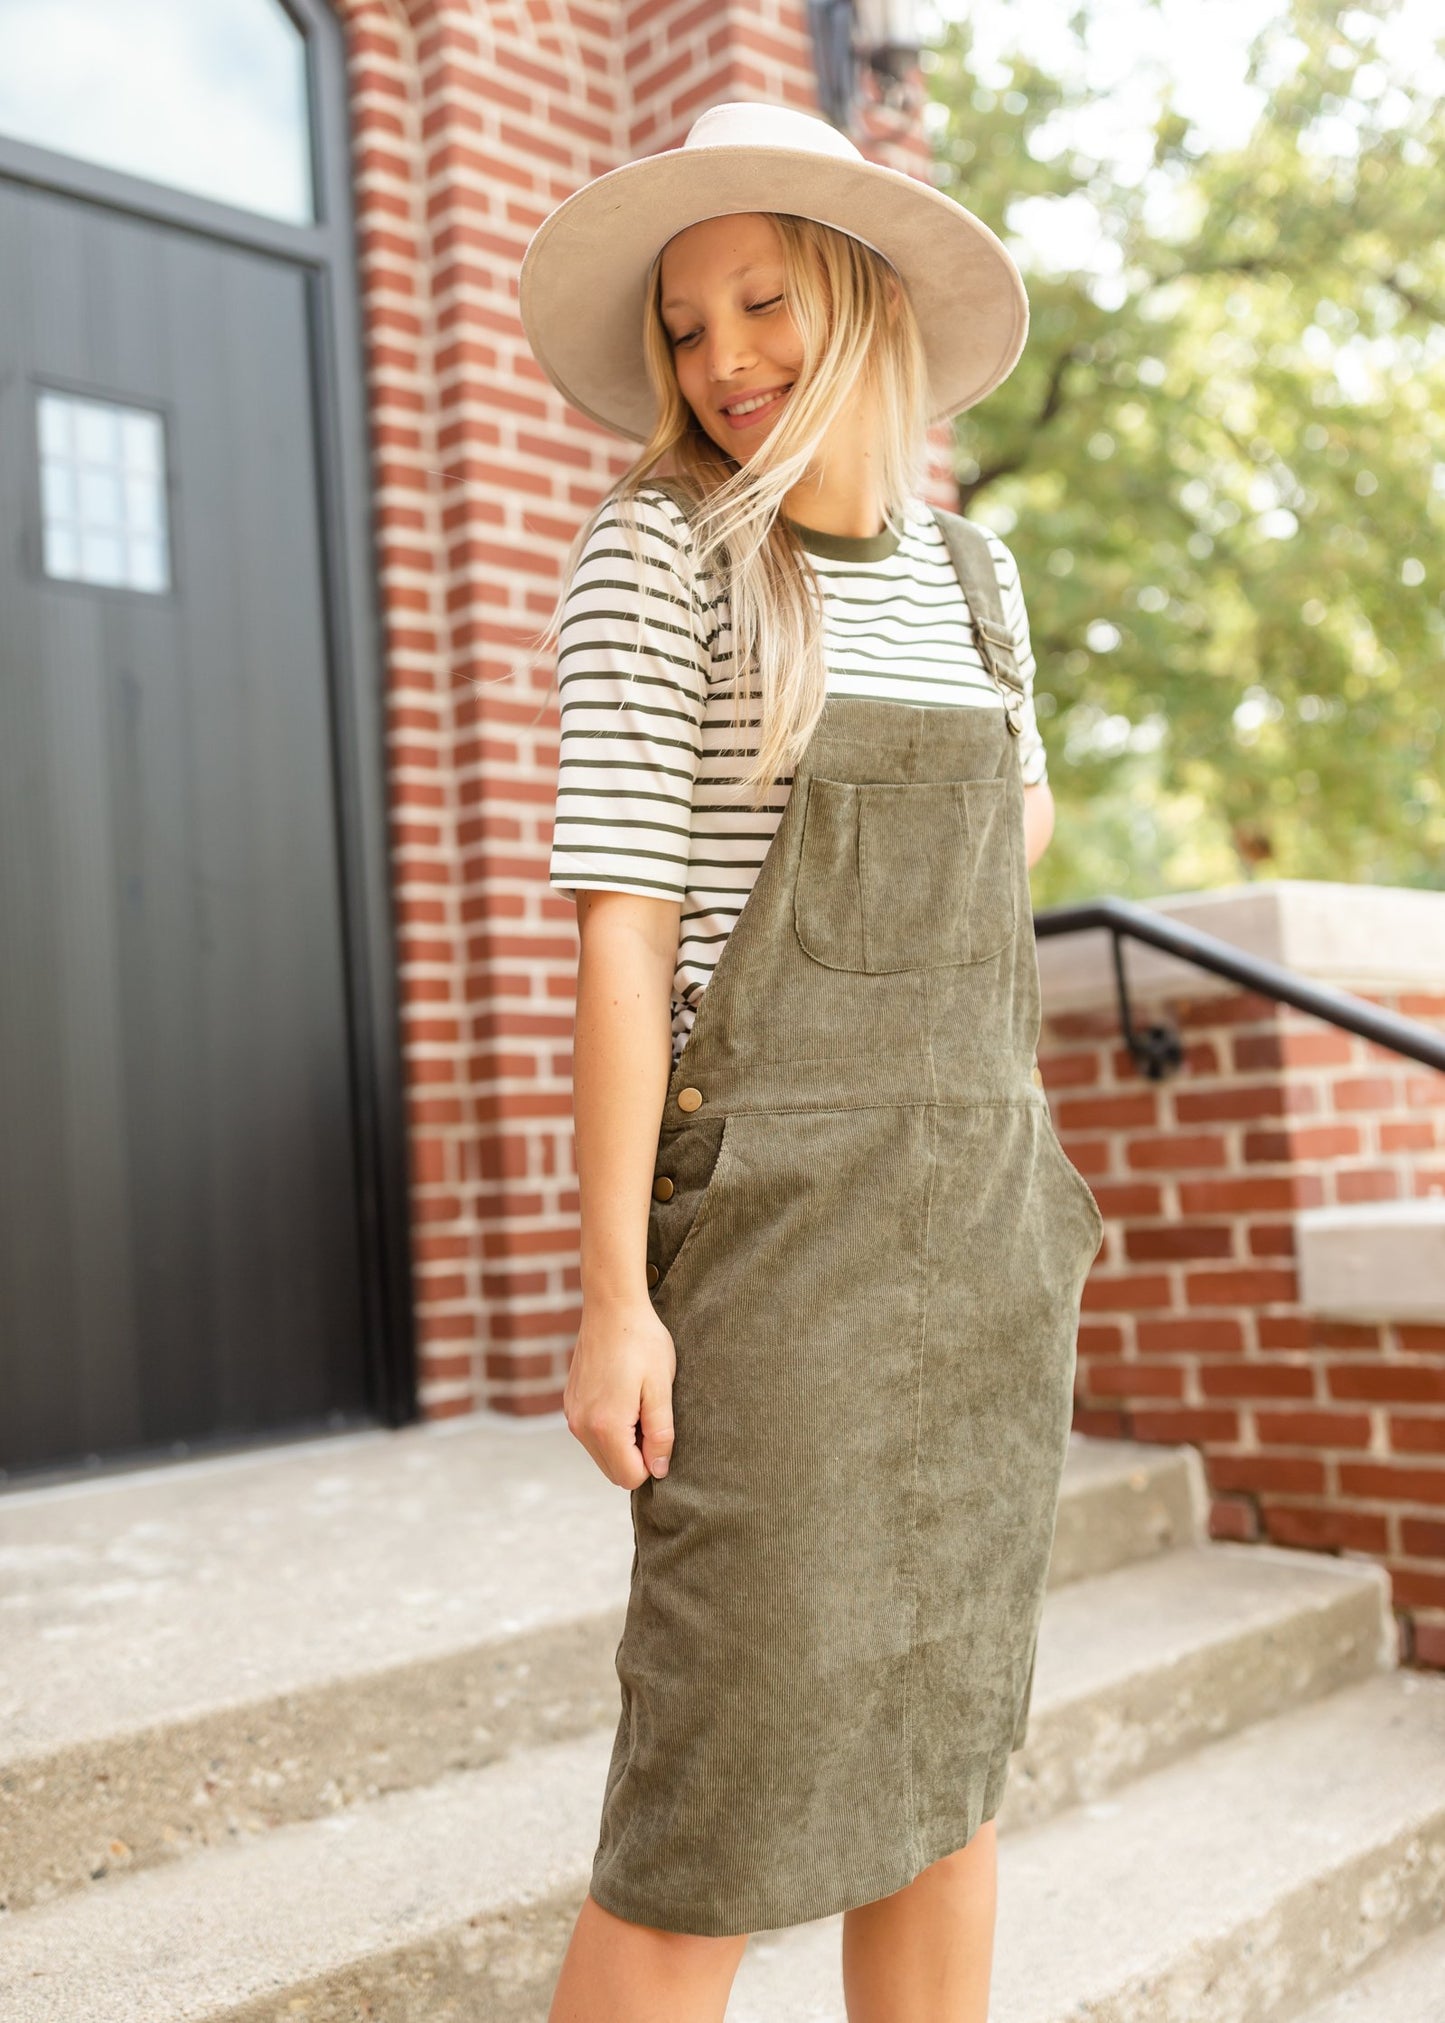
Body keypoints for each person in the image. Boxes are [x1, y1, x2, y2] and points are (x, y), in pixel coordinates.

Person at [518, 98, 1106, 2023]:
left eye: (761, 302)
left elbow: (1002, 857)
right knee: (722, 1796)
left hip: (977, 1240)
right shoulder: (658, 563)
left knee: (941, 1769)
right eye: (687, 328)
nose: (722, 362)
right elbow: (624, 936)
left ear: (859, 299)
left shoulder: (979, 586)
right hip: (768, 1235)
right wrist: (618, 1297)